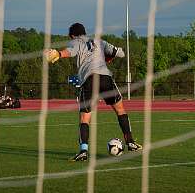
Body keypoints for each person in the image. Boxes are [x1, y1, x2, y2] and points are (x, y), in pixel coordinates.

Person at [46, 23, 142, 161]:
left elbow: (70, 51)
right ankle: (131, 142)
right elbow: (120, 53)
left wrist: (58, 54)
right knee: (121, 110)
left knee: (85, 118)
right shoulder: (99, 41)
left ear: (73, 35)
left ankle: (83, 151)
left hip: (90, 80)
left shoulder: (77, 42)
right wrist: (108, 57)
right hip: (105, 78)